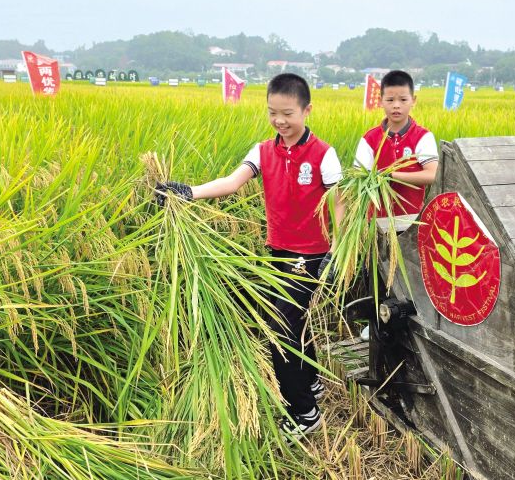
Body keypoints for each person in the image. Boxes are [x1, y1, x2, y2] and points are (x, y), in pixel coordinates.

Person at [156, 73, 343, 439]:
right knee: (295, 320)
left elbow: (340, 206)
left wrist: (336, 253)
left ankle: (305, 412)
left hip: (310, 255)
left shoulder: (324, 154)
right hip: (278, 252)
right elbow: (231, 182)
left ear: (307, 110)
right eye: (273, 112)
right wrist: (186, 192)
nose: (280, 121)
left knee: (280, 329)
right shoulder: (262, 151)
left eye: (288, 113)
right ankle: (312, 382)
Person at [354, 70, 439, 340]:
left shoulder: (422, 137)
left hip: (411, 223)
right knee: (377, 277)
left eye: (402, 99)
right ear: (381, 101)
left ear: (413, 100)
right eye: (390, 100)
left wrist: (392, 174)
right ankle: (377, 326)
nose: (396, 106)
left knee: (409, 278)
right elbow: (359, 178)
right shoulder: (370, 139)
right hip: (376, 224)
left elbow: (432, 173)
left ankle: (412, 328)